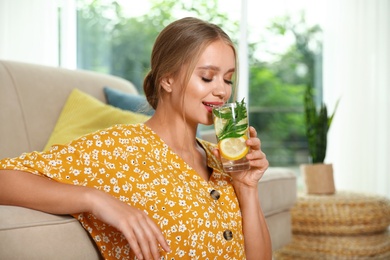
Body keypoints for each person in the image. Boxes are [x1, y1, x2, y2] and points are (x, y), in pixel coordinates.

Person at [0, 17, 272, 260]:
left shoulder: (223, 159)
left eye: (227, 80)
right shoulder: (121, 147)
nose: (222, 91)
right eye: (207, 77)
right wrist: (96, 200)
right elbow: (5, 178)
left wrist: (246, 187)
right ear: (167, 80)